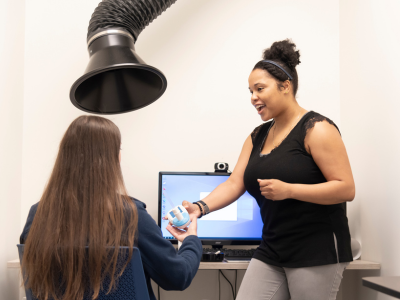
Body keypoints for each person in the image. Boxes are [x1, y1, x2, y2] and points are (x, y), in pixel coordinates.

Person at [183, 40, 355, 300]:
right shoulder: (257, 136)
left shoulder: (317, 128)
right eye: (250, 91)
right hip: (272, 247)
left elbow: (345, 188)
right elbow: (234, 183)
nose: (253, 97)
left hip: (316, 250)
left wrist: (290, 190)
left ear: (285, 86)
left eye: (260, 88)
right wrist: (199, 207)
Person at [20, 115, 202, 300]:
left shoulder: (38, 214)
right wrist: (191, 240)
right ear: (111, 158)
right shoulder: (130, 214)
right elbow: (177, 277)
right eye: (119, 149)